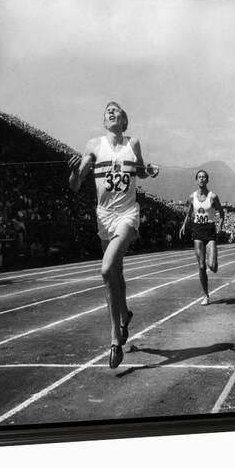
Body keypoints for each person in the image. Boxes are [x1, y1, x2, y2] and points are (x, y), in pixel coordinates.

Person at [68, 101, 159, 368]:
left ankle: (114, 338)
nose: (110, 112)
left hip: (128, 214)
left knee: (107, 270)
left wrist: (149, 171)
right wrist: (74, 171)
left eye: (115, 110)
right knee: (116, 274)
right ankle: (124, 315)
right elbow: (75, 185)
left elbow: (140, 170)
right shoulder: (93, 145)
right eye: (107, 111)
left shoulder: (134, 143)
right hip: (104, 217)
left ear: (124, 120)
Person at [179, 169, 224, 305]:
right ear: (196, 180)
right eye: (199, 177)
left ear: (207, 180)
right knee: (201, 265)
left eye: (204, 177)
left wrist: (220, 226)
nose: (202, 179)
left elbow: (221, 213)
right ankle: (206, 295)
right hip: (197, 230)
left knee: (212, 266)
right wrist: (183, 225)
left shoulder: (213, 197)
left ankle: (214, 261)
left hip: (210, 231)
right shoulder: (191, 197)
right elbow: (188, 212)